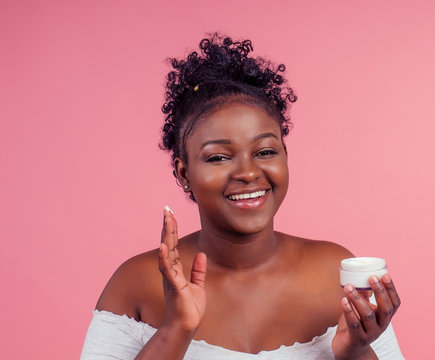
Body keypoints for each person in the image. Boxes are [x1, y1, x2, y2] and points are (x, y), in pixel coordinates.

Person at [80, 34, 404, 360]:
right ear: (183, 172)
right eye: (219, 157)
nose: (248, 172)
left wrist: (355, 351)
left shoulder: (337, 273)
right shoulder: (135, 284)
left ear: (285, 156)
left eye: (265, 151)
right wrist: (176, 328)